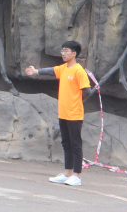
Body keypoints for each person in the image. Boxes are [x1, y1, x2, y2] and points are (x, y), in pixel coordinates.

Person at [24, 40, 94, 186]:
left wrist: (76, 99)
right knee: (66, 143)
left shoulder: (79, 71)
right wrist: (36, 71)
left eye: (66, 51)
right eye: (62, 50)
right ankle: (67, 173)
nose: (63, 53)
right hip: (63, 113)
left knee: (76, 145)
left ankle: (76, 175)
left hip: (74, 114)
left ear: (74, 53)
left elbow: (87, 91)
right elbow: (51, 70)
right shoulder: (64, 68)